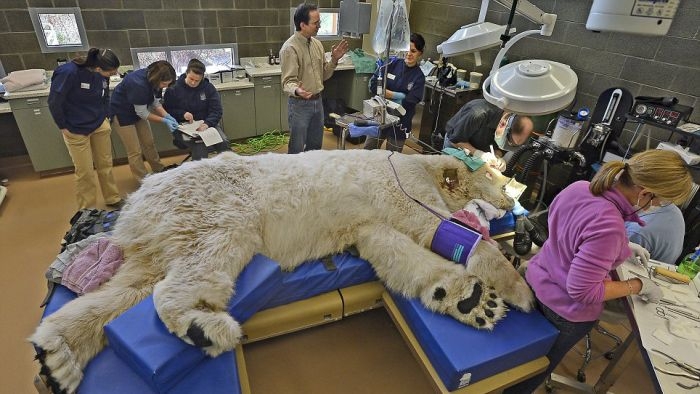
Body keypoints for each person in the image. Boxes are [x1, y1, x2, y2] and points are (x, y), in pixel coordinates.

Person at [503, 149, 693, 394]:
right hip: (562, 311)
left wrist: (623, 247)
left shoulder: (579, 188)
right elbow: (582, 290)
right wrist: (638, 285)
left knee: (510, 362)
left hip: (534, 282)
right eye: (660, 201)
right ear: (645, 192)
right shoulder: (610, 227)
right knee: (529, 375)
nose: (657, 206)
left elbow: (568, 236)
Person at [47, 48, 124, 210]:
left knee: (105, 164)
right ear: (97, 68)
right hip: (75, 128)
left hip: (99, 123)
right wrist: (63, 126)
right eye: (111, 72)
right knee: (85, 172)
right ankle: (87, 209)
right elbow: (54, 102)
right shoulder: (68, 73)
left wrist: (106, 116)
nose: (114, 74)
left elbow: (105, 95)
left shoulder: (102, 74)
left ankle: (112, 198)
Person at [280, 3, 349, 154]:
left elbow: (323, 75)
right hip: (299, 105)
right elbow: (287, 82)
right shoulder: (290, 48)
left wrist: (334, 60)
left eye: (319, 22)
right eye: (315, 23)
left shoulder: (317, 44)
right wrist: (297, 90)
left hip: (318, 103)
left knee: (315, 147)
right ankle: (296, 176)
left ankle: (310, 176)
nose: (319, 26)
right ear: (302, 24)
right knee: (296, 148)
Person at [110, 60, 178, 180]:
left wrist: (167, 115)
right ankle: (143, 179)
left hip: (138, 111)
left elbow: (155, 101)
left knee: (149, 142)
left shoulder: (156, 80)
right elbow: (142, 113)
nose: (165, 87)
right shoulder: (137, 84)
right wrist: (164, 120)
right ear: (156, 79)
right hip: (122, 113)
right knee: (134, 150)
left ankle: (159, 169)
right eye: (164, 84)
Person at [364, 33, 426, 152]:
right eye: (407, 50)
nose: (409, 54)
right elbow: (373, 85)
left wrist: (389, 94)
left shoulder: (419, 77)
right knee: (368, 151)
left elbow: (410, 101)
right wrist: (400, 96)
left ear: (420, 53)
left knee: (393, 158)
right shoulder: (391, 64)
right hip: (379, 117)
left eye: (413, 51)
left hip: (400, 123)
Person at [163, 59, 231, 160]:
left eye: (197, 80)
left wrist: (207, 124)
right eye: (191, 79)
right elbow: (167, 111)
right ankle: (199, 174)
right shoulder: (173, 89)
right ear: (186, 73)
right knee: (200, 148)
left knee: (223, 142)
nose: (193, 83)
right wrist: (182, 114)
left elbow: (216, 110)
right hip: (184, 127)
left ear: (202, 78)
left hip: (206, 124)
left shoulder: (208, 88)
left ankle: (229, 169)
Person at [442, 98, 534, 170]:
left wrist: (498, 156)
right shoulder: (477, 114)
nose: (508, 144)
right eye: (508, 142)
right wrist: (479, 154)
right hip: (456, 146)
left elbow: (502, 147)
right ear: (502, 124)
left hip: (479, 151)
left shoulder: (511, 129)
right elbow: (455, 140)